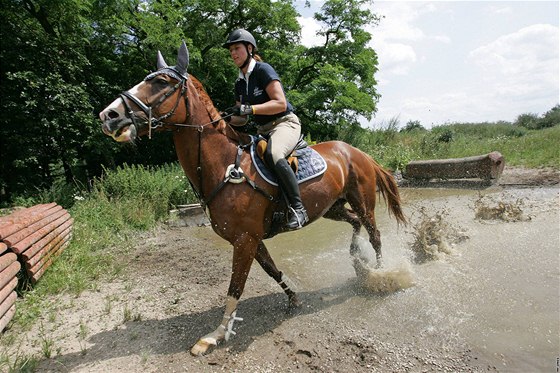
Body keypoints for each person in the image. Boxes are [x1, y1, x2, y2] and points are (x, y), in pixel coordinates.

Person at [222, 28, 308, 230]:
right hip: (263, 130)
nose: (233, 53)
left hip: (285, 123)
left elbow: (280, 103)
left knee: (274, 153)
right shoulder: (239, 83)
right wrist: (224, 118)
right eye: (231, 50)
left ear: (249, 48)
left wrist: (249, 108)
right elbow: (242, 120)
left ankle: (299, 208)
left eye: (237, 48)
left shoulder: (263, 70)